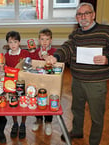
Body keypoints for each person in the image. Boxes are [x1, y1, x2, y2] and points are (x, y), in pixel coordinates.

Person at [45, 2, 109, 145]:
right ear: (76, 18)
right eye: (79, 14)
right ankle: (77, 131)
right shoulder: (76, 34)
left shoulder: (106, 31)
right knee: (76, 109)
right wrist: (55, 57)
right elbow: (67, 48)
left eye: (86, 13)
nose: (83, 17)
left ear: (93, 15)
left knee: (96, 116)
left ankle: (94, 142)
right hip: (77, 80)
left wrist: (107, 59)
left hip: (96, 83)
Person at [29, 28, 57, 135]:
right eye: (42, 39)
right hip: (37, 80)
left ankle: (48, 122)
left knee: (49, 98)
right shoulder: (35, 51)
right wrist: (34, 54)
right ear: (38, 40)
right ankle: (38, 119)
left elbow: (57, 64)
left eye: (47, 39)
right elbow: (30, 63)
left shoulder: (54, 52)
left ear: (51, 40)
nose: (44, 42)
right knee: (37, 98)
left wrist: (48, 58)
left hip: (50, 81)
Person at [4, 31, 29, 139]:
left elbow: (29, 66)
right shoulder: (6, 55)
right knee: (13, 103)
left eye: (15, 42)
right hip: (11, 84)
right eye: (10, 42)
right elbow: (6, 69)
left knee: (23, 102)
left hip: (23, 82)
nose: (13, 44)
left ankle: (23, 124)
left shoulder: (24, 53)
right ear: (7, 43)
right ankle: (15, 123)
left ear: (19, 42)